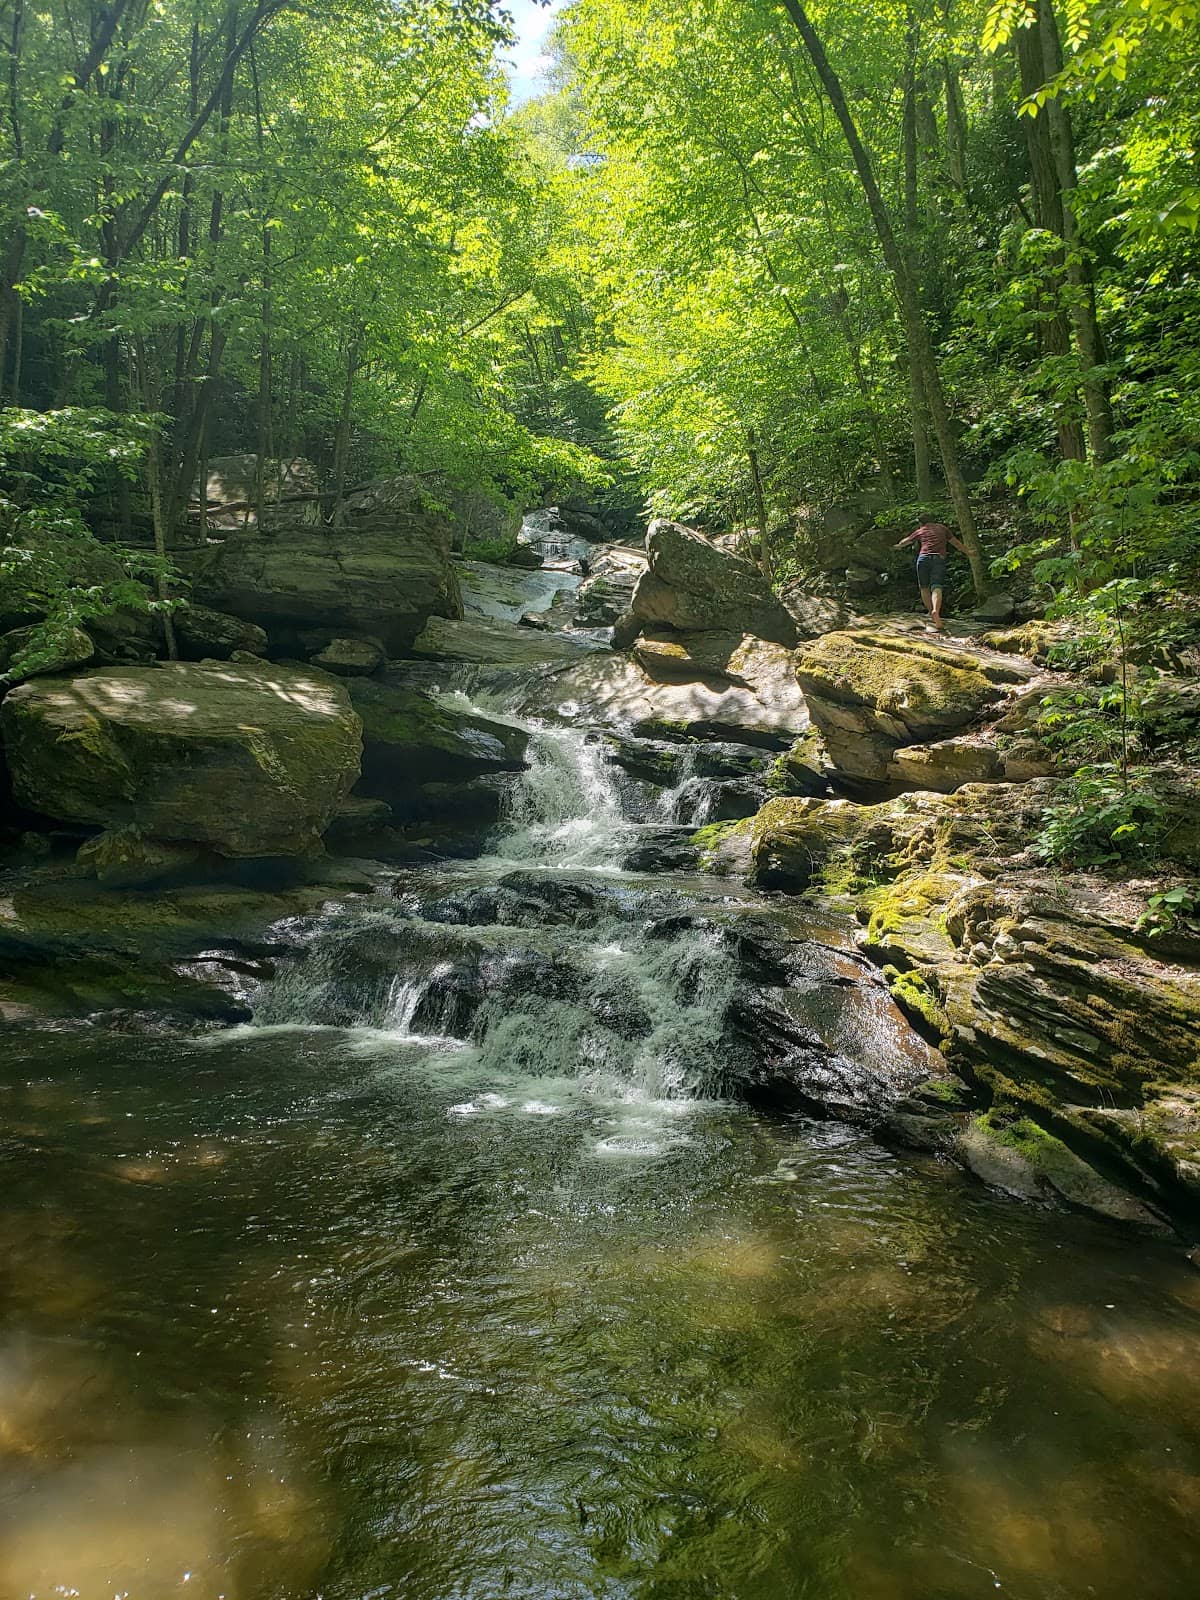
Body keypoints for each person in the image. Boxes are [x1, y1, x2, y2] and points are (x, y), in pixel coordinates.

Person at [895, 516, 968, 633]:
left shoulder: (921, 530)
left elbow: (906, 541)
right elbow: (956, 543)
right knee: (936, 586)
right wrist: (969, 552)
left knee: (924, 587)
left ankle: (930, 613)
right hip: (938, 559)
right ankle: (936, 611)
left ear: (921, 523)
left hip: (923, 558)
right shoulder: (942, 528)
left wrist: (898, 546)